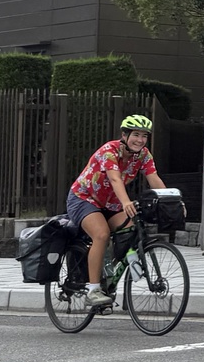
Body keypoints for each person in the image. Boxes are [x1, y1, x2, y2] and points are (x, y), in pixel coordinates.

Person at [66, 114, 166, 310]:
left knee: (130, 230)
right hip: (84, 199)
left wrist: (170, 198)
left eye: (144, 136)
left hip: (111, 203)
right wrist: (126, 202)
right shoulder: (109, 151)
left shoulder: (144, 155)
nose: (140, 140)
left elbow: (154, 178)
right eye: (136, 135)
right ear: (124, 135)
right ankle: (93, 290)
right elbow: (115, 179)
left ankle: (107, 272)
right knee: (101, 234)